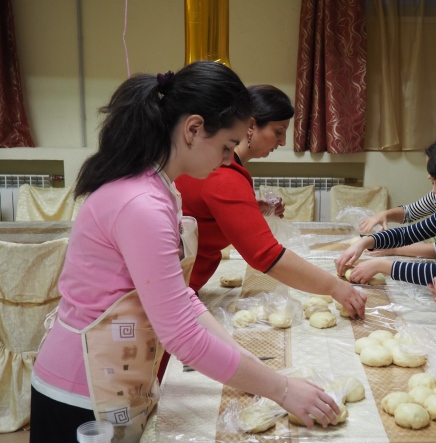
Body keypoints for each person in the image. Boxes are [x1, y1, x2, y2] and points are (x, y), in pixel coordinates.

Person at [30, 62, 340, 443]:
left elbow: (182, 300)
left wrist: (251, 365)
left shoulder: (161, 190)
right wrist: (283, 389)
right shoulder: (141, 203)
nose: (229, 159)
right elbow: (182, 336)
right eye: (227, 146)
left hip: (117, 379)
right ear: (193, 129)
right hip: (80, 391)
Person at [175, 84, 366, 318]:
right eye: (278, 131)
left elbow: (205, 212)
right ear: (250, 126)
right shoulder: (223, 175)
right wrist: (335, 287)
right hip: (172, 292)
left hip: (180, 287)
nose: (283, 141)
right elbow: (266, 255)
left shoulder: (223, 171)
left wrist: (252, 209)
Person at [336, 135, 436, 323]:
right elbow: (408, 233)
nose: (434, 191)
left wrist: (382, 265)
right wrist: (367, 241)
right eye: (433, 184)